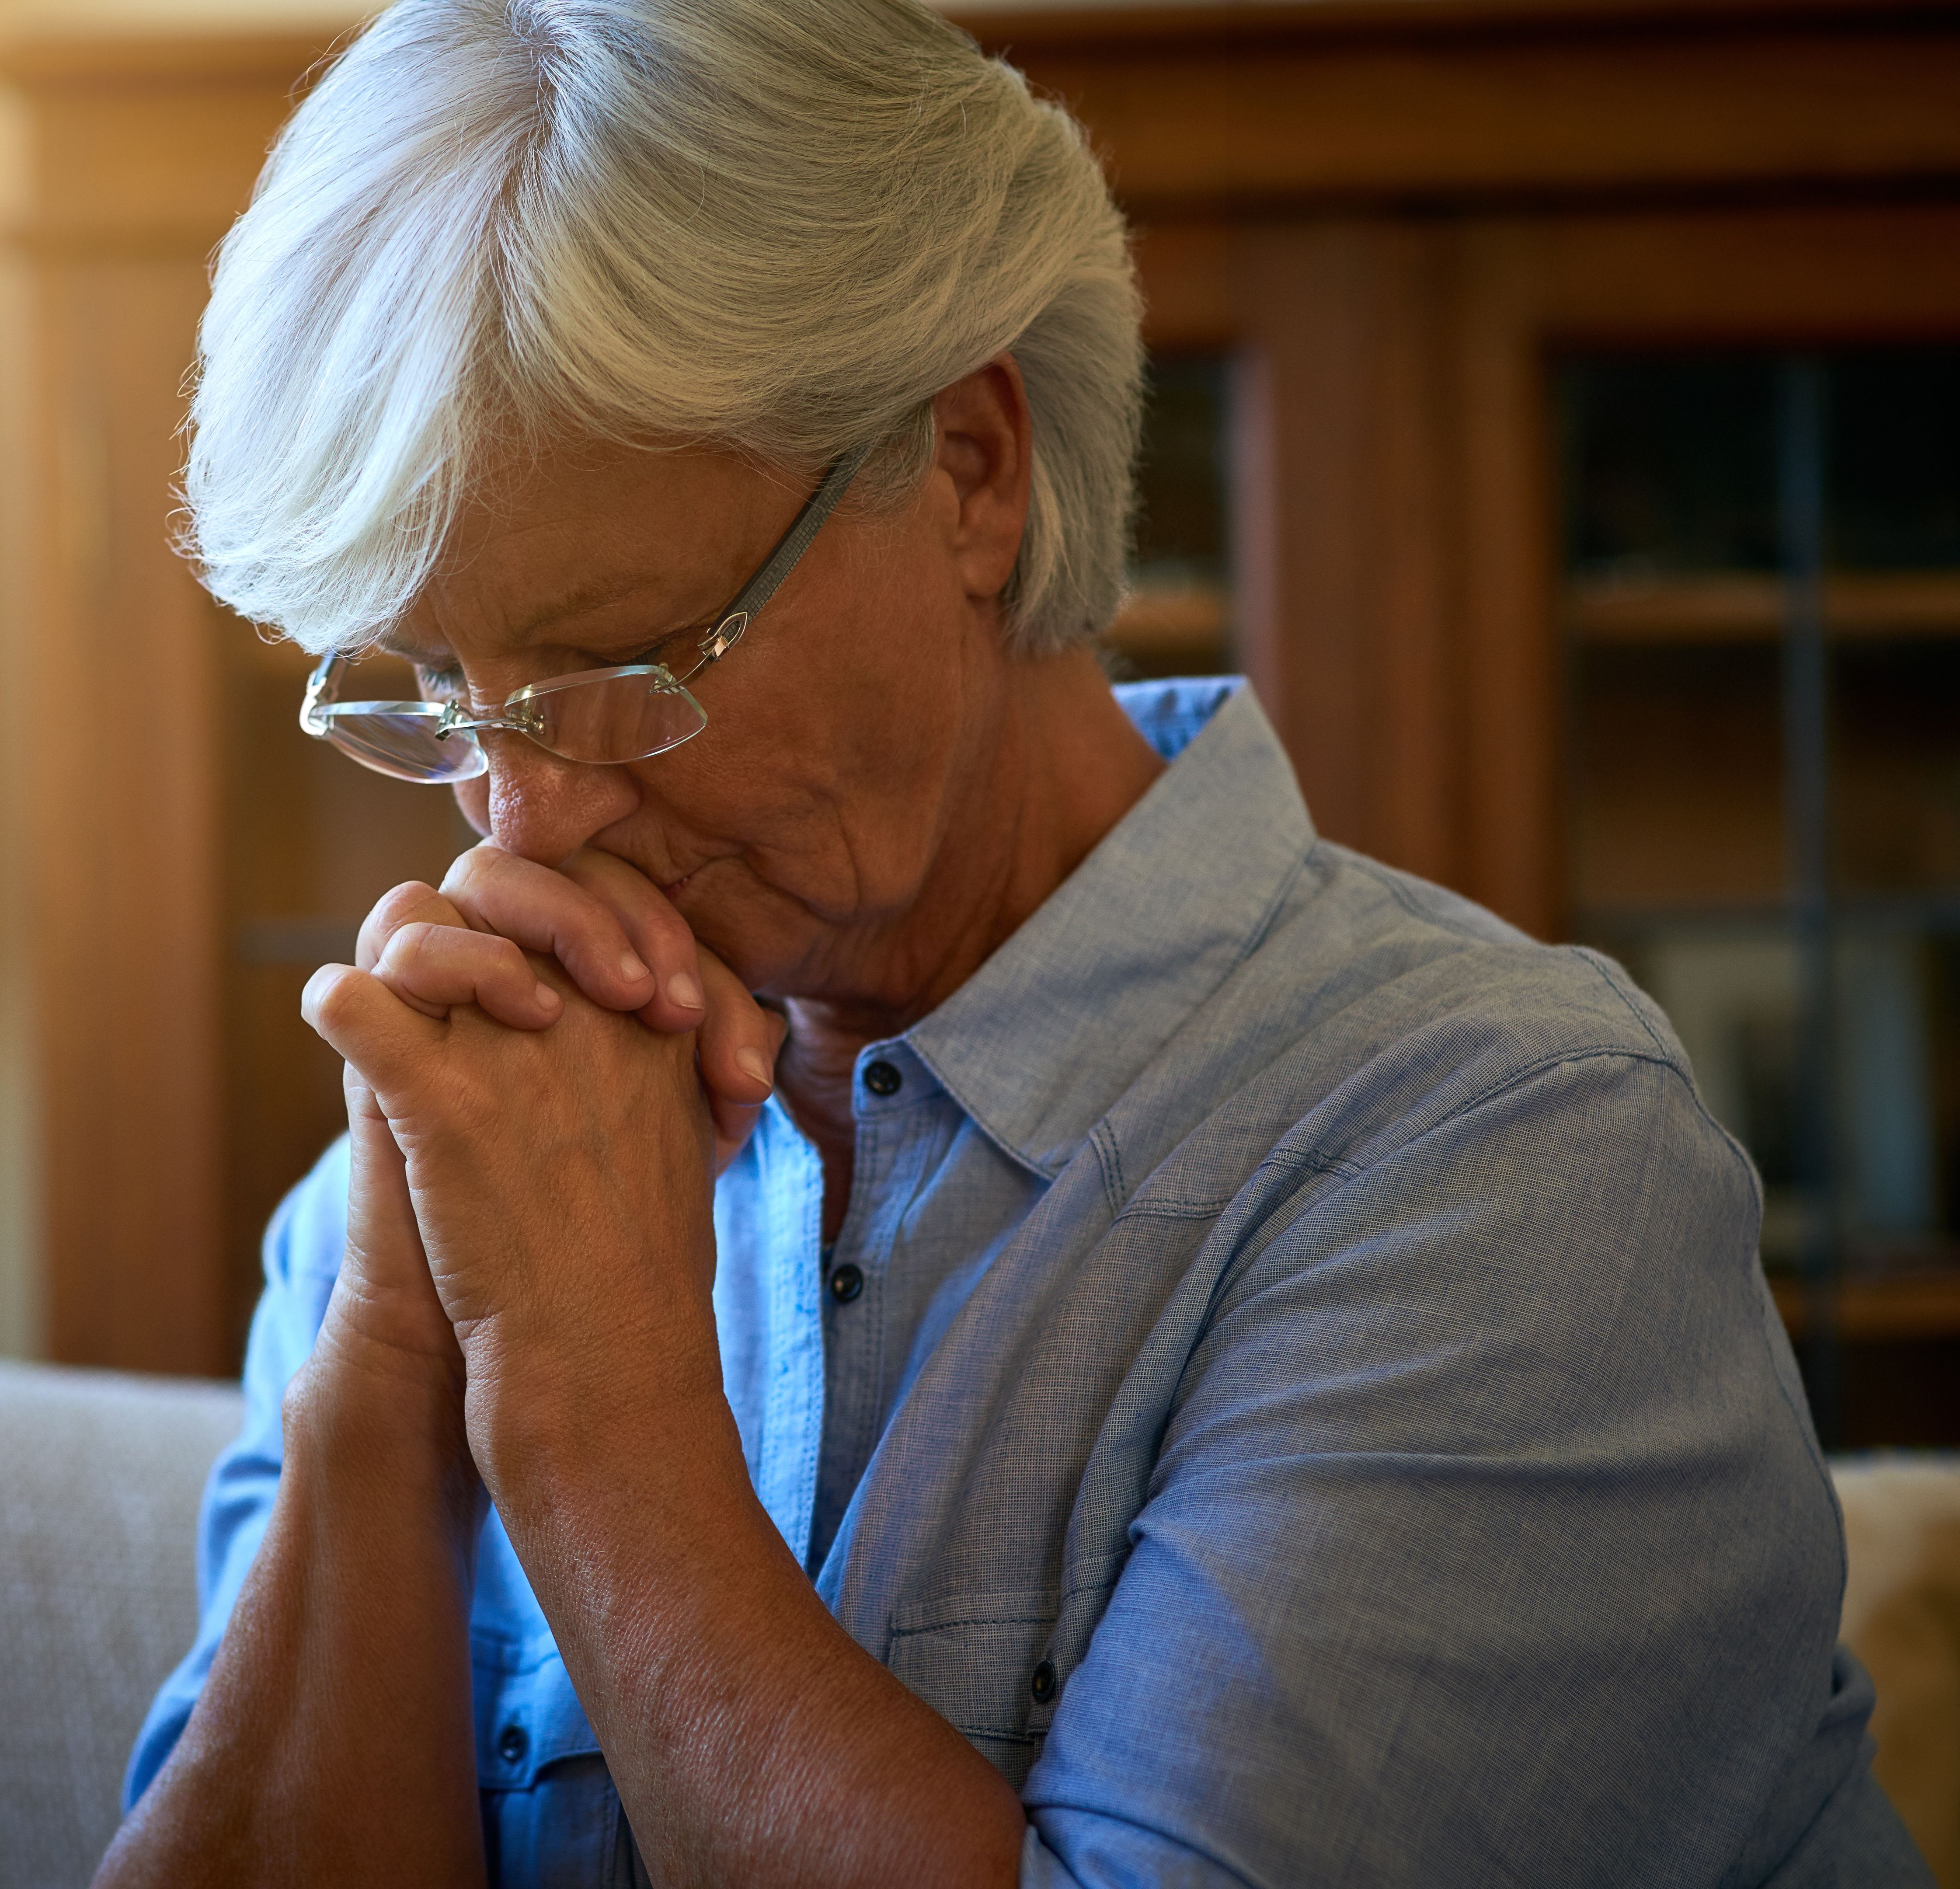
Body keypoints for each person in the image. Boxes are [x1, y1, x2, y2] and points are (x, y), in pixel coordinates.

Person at [94, 2, 1927, 1883]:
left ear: (967, 466)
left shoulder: (1509, 1163)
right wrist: (395, 1371)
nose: (519, 816)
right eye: (442, 692)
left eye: (616, 668)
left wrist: (583, 1402)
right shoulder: (441, 1163)